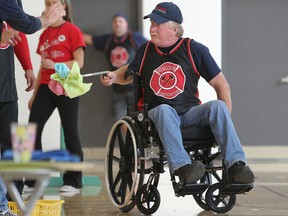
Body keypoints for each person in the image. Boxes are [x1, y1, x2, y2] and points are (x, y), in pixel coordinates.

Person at [100, 2, 254, 185]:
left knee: (218, 107)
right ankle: (183, 168)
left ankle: (236, 166)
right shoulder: (145, 50)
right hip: (157, 115)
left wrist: (224, 123)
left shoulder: (194, 49)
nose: (152, 28)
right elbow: (127, 73)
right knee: (165, 109)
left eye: (158, 24)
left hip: (189, 113)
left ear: (174, 30)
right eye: (152, 24)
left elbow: (222, 85)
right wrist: (113, 76)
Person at [0, 1, 66, 215]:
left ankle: (14, 199)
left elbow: (16, 29)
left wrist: (27, 65)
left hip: (5, 87)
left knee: (16, 144)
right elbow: (27, 25)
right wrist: (45, 19)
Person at [25, 0, 85, 193]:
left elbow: (79, 63)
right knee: (32, 131)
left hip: (67, 87)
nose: (50, 6)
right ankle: (34, 180)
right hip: (45, 87)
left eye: (54, 2)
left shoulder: (73, 31)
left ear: (63, 7)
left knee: (70, 134)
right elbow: (43, 66)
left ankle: (73, 181)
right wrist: (34, 94)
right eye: (48, 3)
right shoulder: (45, 33)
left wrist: (57, 65)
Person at [83, 13, 147, 121]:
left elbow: (149, 50)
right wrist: (69, 30)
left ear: (126, 24)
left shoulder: (135, 37)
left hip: (136, 88)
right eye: (115, 21)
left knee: (141, 119)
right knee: (121, 120)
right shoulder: (108, 40)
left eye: (120, 21)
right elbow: (90, 39)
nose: (117, 24)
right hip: (117, 88)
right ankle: (131, 138)